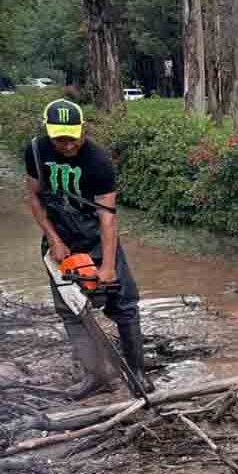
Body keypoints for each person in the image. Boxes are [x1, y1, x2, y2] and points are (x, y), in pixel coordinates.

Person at [25, 98, 153, 399]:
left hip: (96, 238)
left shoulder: (98, 162)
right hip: (60, 238)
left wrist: (107, 266)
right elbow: (33, 197)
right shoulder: (35, 151)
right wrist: (54, 239)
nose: (67, 144)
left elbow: (107, 217)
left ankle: (137, 373)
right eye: (60, 139)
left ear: (83, 129)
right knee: (70, 310)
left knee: (124, 306)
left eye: (73, 137)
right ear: (48, 132)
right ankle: (97, 376)